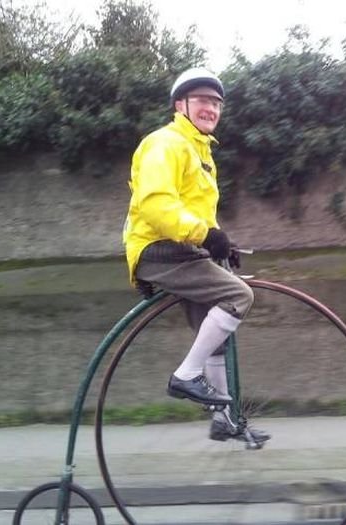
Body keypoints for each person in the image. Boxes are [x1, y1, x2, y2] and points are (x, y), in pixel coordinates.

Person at [122, 67, 268, 443]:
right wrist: (205, 236)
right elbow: (156, 205)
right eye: (202, 100)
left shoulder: (199, 151)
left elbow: (197, 212)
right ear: (180, 105)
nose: (211, 108)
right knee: (239, 296)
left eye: (216, 103)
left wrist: (220, 243)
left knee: (217, 336)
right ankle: (186, 375)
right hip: (160, 249)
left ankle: (225, 420)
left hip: (183, 249)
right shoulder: (165, 143)